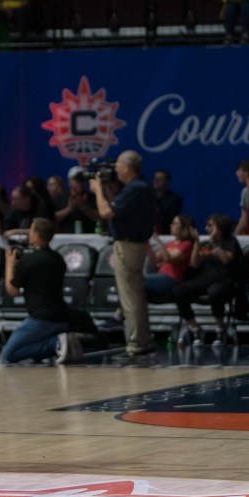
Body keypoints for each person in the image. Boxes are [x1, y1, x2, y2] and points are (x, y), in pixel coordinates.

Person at [90, 150, 156, 359]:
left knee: (129, 297)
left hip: (128, 246)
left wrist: (98, 190)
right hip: (136, 245)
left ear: (127, 168)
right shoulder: (140, 187)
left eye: (118, 165)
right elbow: (117, 208)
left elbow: (105, 212)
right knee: (136, 294)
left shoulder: (136, 188)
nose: (115, 169)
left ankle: (136, 343)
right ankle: (144, 340)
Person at [2, 217, 79, 364]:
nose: (29, 234)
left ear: (37, 235)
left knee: (9, 353)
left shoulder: (29, 260)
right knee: (33, 351)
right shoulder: (58, 258)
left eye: (31, 230)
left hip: (41, 319)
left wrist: (10, 264)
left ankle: (55, 343)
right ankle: (59, 343)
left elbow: (12, 290)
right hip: (62, 317)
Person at [172, 213, 243, 346]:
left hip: (225, 280)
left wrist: (215, 245)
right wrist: (197, 243)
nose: (207, 228)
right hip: (205, 279)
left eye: (211, 226)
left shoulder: (230, 242)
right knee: (179, 291)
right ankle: (196, 328)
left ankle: (220, 329)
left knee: (214, 292)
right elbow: (194, 264)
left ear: (220, 228)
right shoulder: (206, 244)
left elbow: (226, 260)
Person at [143, 214, 195, 303]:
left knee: (136, 281)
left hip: (171, 279)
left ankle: (120, 314)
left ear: (183, 227)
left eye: (175, 223)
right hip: (160, 276)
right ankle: (121, 314)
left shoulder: (187, 244)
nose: (171, 225)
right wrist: (146, 240)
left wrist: (157, 240)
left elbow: (168, 259)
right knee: (132, 284)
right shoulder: (170, 243)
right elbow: (154, 259)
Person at [152, 168, 182, 234]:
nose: (156, 181)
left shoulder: (174, 199)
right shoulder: (148, 197)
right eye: (155, 178)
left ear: (167, 181)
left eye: (160, 179)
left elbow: (171, 217)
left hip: (166, 234)